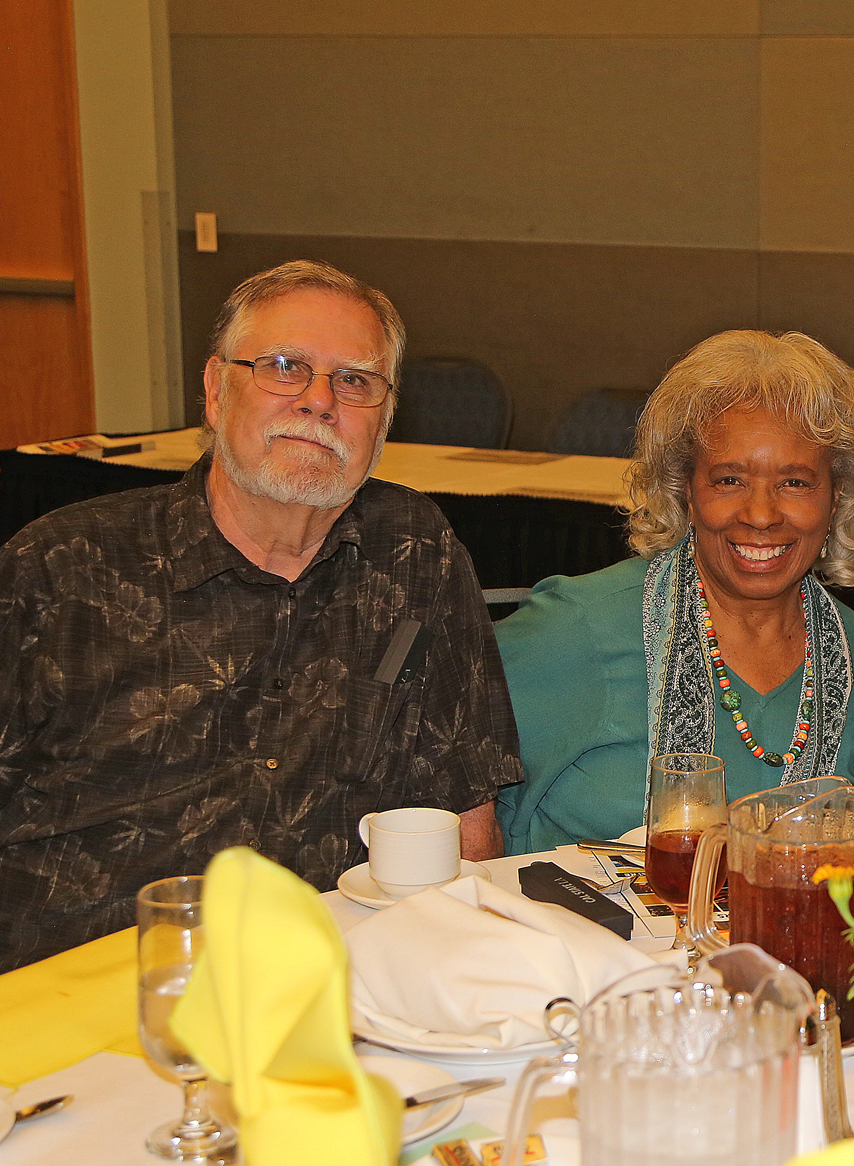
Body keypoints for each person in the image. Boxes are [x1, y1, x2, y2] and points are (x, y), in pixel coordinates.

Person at [0, 260, 522, 973]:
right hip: (84, 987)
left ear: (385, 419)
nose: (320, 401)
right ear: (217, 392)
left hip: (335, 984)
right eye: (284, 367)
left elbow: (466, 817)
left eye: (355, 381)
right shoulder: (61, 570)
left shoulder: (414, 552)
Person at [495, 330, 854, 851]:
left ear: (837, 496)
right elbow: (439, 768)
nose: (761, 515)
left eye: (795, 482)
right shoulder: (576, 629)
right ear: (685, 487)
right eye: (729, 480)